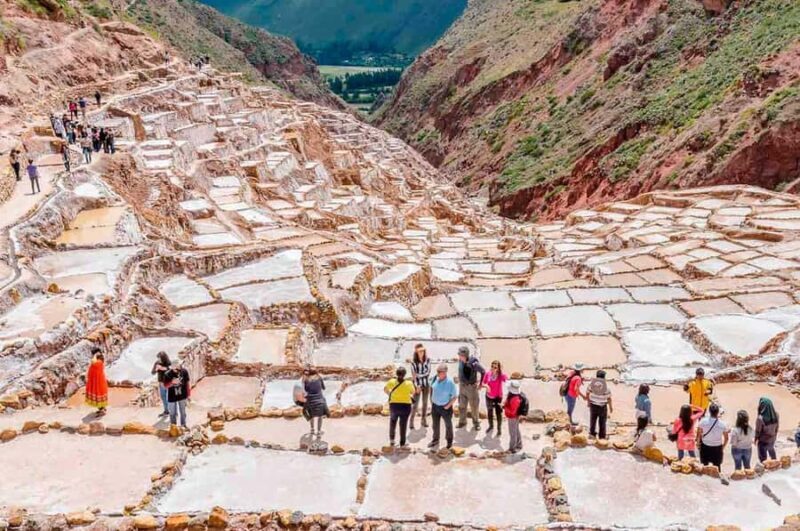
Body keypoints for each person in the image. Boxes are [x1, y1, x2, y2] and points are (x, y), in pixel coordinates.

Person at [429, 364, 458, 449]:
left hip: (445, 408)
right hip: (435, 406)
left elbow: (455, 396)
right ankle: (435, 440)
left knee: (448, 425)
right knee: (435, 425)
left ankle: (449, 442)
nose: (437, 373)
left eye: (439, 372)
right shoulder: (435, 378)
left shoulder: (450, 382)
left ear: (445, 372)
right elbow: (431, 388)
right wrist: (431, 401)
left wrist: (448, 406)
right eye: (437, 371)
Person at [385, 367, 415, 447]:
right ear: (405, 374)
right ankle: (402, 443)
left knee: (393, 422)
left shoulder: (391, 381)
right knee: (403, 424)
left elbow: (385, 389)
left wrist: (390, 394)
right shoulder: (409, 383)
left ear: (396, 374)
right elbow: (413, 392)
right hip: (405, 406)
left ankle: (392, 441)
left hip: (394, 405)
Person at [456, 346, 485, 431]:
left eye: (460, 355)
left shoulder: (473, 363)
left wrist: (480, 384)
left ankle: (476, 423)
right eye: (459, 355)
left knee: (474, 407)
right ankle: (462, 421)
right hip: (462, 386)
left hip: (471, 388)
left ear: (465, 355)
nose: (459, 356)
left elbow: (483, 371)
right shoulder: (460, 361)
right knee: (462, 405)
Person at [697, 403, 729, 469]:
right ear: (718, 412)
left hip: (705, 446)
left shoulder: (703, 421)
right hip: (717, 447)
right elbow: (726, 438)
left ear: (709, 411)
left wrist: (698, 443)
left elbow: (699, 434)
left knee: (704, 466)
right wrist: (723, 447)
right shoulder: (723, 424)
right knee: (717, 466)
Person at [482, 360, 508, 436]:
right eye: (492, 366)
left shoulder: (501, 375)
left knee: (498, 414)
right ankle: (491, 426)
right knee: (489, 412)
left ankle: (499, 429)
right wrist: (486, 386)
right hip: (489, 397)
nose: (493, 368)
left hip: (498, 397)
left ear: (498, 368)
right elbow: (482, 383)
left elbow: (507, 381)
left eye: (495, 367)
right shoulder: (488, 374)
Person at [585, 369, 613, 440]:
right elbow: (609, 398)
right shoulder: (606, 388)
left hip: (593, 405)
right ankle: (602, 436)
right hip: (602, 406)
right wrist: (610, 407)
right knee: (602, 421)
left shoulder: (591, 385)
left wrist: (588, 402)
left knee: (593, 420)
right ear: (604, 378)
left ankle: (592, 434)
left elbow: (587, 393)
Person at [301, 367, 329, 436]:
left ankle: (312, 429)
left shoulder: (306, 380)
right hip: (320, 400)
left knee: (310, 415)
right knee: (321, 415)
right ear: (316, 372)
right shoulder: (319, 378)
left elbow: (306, 391)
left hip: (310, 401)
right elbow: (324, 388)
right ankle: (319, 431)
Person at [164, 361, 190, 429]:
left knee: (183, 412)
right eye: (175, 369)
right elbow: (166, 386)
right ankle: (174, 427)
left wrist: (188, 394)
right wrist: (172, 383)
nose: (177, 370)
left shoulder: (184, 371)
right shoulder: (167, 374)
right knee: (172, 413)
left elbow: (187, 383)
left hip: (182, 395)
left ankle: (183, 425)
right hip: (172, 396)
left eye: (178, 368)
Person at [410, 343, 430, 429]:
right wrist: (416, 385)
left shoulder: (428, 360)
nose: (421, 352)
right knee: (415, 404)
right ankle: (411, 421)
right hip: (417, 386)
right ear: (416, 352)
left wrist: (418, 375)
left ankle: (423, 420)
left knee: (425, 403)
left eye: (423, 351)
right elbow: (413, 376)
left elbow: (428, 372)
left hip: (426, 385)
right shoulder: (413, 363)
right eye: (420, 351)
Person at [755, 397, 780, 462]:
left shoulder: (760, 418)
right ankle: (775, 463)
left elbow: (758, 431)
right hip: (772, 438)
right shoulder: (776, 414)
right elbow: (777, 427)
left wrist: (755, 439)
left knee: (763, 459)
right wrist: (774, 435)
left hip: (763, 440)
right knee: (771, 451)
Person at [85, 348, 108, 415]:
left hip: (98, 381)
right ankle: (102, 409)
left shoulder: (99, 361)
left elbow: (93, 361)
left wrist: (95, 355)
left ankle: (102, 410)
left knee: (98, 393)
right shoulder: (99, 360)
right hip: (96, 380)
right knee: (98, 393)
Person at [504, 380, 524, 453]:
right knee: (516, 430)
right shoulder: (513, 396)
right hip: (514, 416)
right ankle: (519, 444)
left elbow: (512, 411)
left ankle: (512, 448)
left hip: (512, 417)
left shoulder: (515, 399)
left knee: (512, 432)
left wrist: (504, 407)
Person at [151, 351, 172, 417]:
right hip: (161, 383)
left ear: (163, 358)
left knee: (169, 397)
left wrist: (164, 369)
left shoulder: (168, 363)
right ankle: (166, 411)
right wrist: (156, 369)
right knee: (163, 397)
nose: (158, 360)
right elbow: (152, 372)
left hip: (168, 382)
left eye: (160, 358)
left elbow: (172, 370)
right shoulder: (157, 363)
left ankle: (172, 411)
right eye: (158, 358)